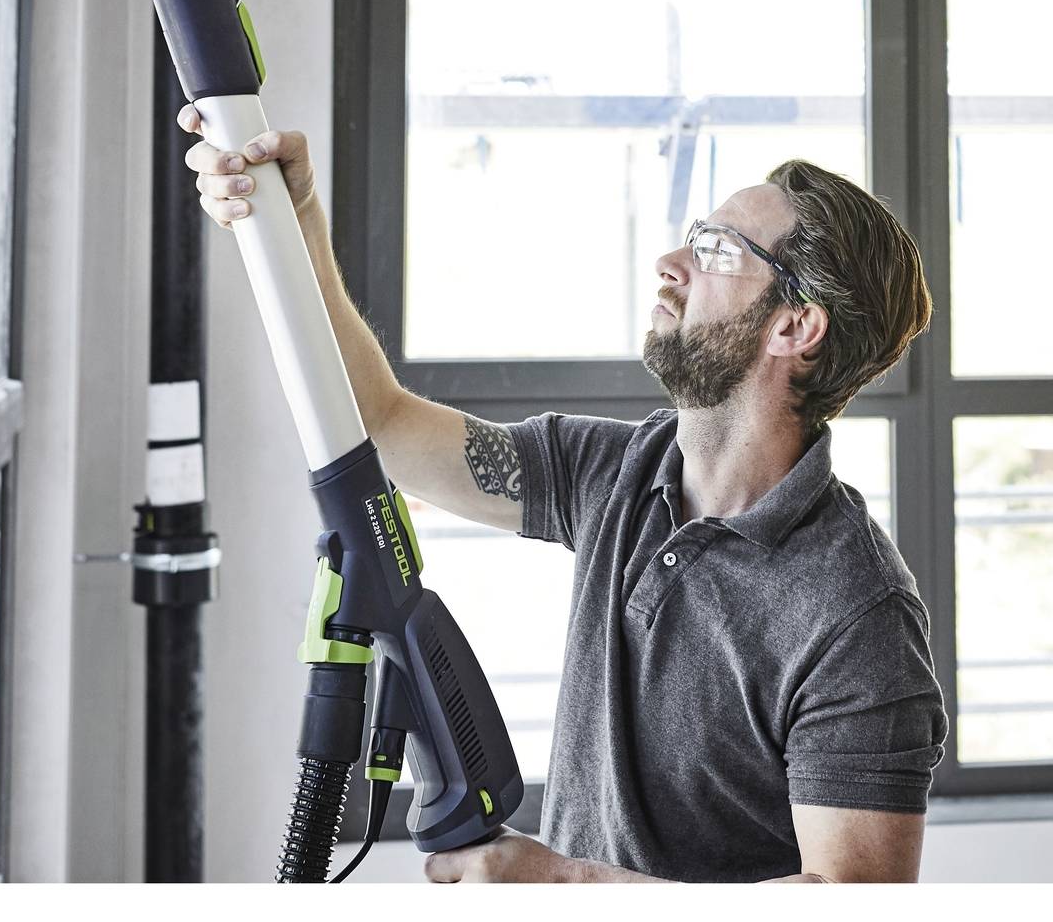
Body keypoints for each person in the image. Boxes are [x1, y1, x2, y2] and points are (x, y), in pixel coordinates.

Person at [180, 105, 944, 884]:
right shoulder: (615, 472)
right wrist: (296, 223)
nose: (670, 263)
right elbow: (380, 423)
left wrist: (561, 883)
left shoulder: (857, 613)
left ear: (795, 327)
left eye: (715, 251)